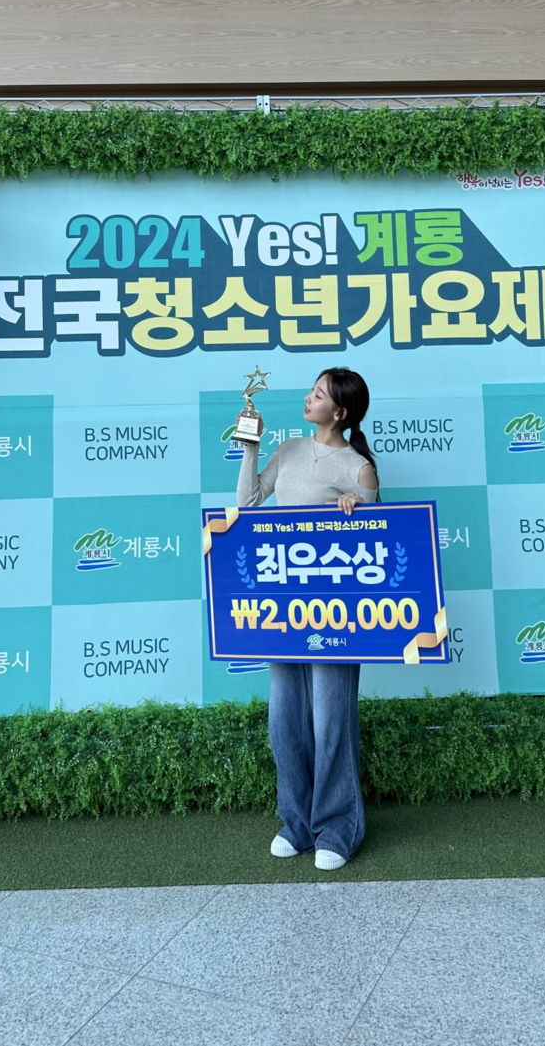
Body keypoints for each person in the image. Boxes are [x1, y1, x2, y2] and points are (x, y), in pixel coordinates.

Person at [236, 367, 379, 871]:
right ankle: (296, 823)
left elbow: (376, 542)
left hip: (336, 613)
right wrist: (251, 447)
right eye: (312, 391)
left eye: (318, 395)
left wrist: (357, 506)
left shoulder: (359, 468)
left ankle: (339, 827)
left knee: (330, 720)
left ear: (339, 412)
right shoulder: (290, 448)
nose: (308, 398)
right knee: (285, 721)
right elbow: (248, 502)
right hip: (283, 607)